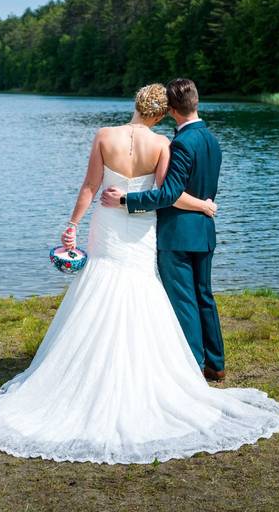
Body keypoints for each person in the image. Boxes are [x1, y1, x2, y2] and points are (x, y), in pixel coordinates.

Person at [0, 83, 279, 464]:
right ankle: (165, 369)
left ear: (135, 104)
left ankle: (84, 372)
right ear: (161, 114)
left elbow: (90, 186)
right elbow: (167, 195)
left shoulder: (103, 136)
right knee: (144, 290)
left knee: (100, 286)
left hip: (108, 226)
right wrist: (205, 205)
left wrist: (72, 225)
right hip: (140, 229)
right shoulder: (163, 145)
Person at [100, 78, 226, 381]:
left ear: (170, 110)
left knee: (184, 300)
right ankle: (217, 363)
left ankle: (193, 364)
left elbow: (169, 194)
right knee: (204, 297)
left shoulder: (182, 143)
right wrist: (206, 206)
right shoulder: (211, 140)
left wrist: (126, 200)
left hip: (178, 235)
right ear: (195, 101)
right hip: (204, 230)